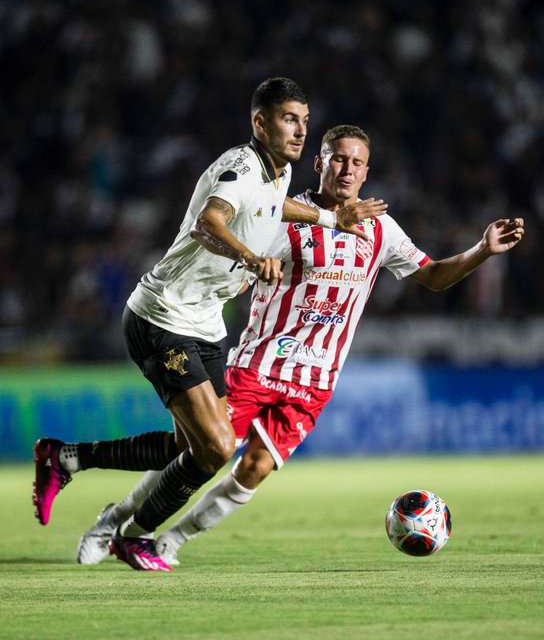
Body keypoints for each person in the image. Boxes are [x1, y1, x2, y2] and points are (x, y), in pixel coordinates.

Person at [73, 124, 525, 569]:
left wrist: (481, 250)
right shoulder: (280, 217)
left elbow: (434, 276)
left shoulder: (381, 230)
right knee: (200, 451)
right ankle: (115, 520)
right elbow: (231, 239)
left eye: (357, 163)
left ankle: (170, 540)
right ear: (319, 162)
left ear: (367, 172)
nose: (347, 170)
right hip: (257, 364)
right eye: (339, 159)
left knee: (253, 469)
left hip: (316, 381)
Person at [32, 80, 388, 571]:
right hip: (164, 314)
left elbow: (273, 205)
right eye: (289, 118)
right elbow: (209, 223)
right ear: (259, 122)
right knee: (217, 447)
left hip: (204, 321)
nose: (300, 129)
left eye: (305, 120)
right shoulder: (240, 167)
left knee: (190, 447)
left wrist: (330, 221)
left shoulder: (275, 172)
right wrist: (250, 256)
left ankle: (67, 459)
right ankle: (133, 535)